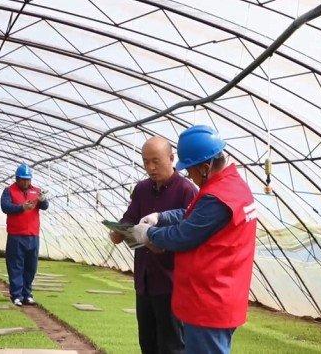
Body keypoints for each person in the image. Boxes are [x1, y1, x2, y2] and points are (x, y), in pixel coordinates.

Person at [129, 125, 257, 354]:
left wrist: (149, 234)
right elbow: (192, 214)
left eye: (190, 170)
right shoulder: (229, 187)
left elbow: (183, 235)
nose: (189, 175)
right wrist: (162, 217)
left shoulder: (218, 197)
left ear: (205, 168)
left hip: (209, 300)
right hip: (218, 296)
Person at [110, 136, 197, 354]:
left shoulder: (187, 190)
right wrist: (118, 231)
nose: (150, 167)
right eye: (146, 161)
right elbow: (129, 218)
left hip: (171, 282)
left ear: (171, 158)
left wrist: (161, 241)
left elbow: (190, 235)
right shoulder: (141, 189)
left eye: (156, 161)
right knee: (147, 343)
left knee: (172, 346)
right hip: (145, 280)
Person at [0, 163, 49, 306]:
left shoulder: (36, 191)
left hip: (33, 235)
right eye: (23, 179)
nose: (26, 182)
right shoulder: (9, 191)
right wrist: (22, 207)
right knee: (16, 266)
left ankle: (27, 294)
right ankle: (16, 295)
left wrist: (43, 200)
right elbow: (5, 207)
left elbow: (45, 207)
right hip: (16, 235)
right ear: (17, 179)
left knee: (31, 266)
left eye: (28, 179)